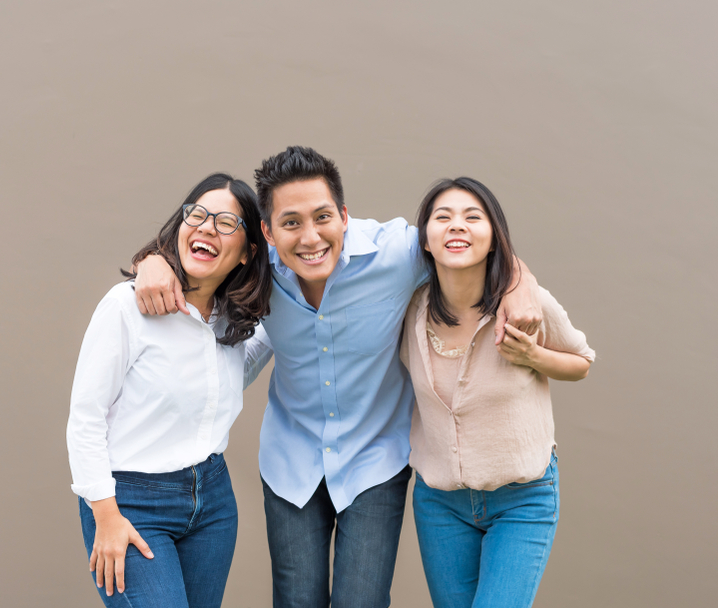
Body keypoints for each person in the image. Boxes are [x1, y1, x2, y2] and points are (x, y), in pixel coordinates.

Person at [134, 147, 543, 608]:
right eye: (291, 223)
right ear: (267, 232)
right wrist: (154, 259)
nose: (310, 237)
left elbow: (469, 242)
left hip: (375, 458)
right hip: (292, 460)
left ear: (344, 215)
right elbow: (200, 251)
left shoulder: (396, 253)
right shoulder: (256, 266)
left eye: (323, 217)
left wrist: (517, 283)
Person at [66, 172, 273, 608]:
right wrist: (105, 515)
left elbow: (236, 371)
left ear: (247, 252)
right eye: (196, 215)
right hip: (131, 503)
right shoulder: (127, 306)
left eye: (225, 223)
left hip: (212, 503)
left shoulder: (230, 321)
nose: (205, 227)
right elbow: (85, 419)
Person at [399, 177, 594, 608]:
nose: (457, 227)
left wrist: (534, 357)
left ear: (493, 239)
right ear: (426, 241)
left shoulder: (528, 305)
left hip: (522, 499)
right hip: (440, 504)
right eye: (442, 217)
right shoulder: (408, 309)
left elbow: (582, 362)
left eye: (473, 217)